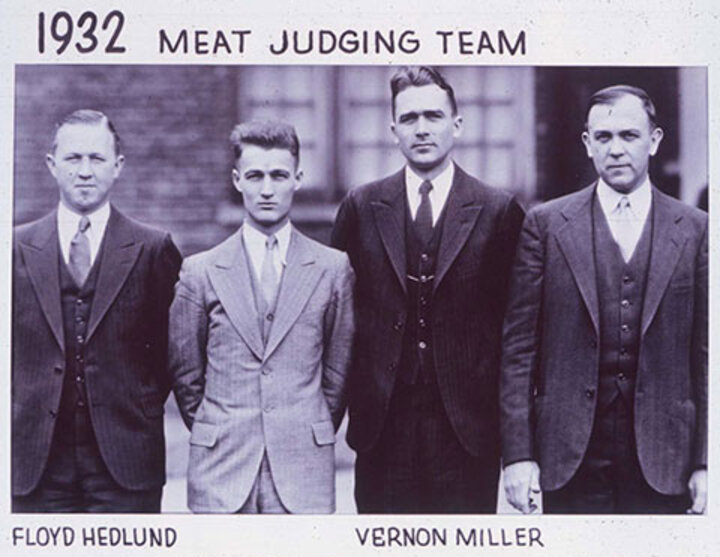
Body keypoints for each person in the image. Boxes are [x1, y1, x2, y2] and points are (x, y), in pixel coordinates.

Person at [501, 85, 707, 514]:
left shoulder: (696, 229)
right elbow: (519, 350)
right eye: (604, 137)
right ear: (587, 144)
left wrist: (707, 460)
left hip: (665, 455)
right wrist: (519, 456)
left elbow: (709, 357)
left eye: (629, 136)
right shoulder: (546, 225)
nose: (616, 149)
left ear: (654, 141)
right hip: (569, 455)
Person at [331, 66, 525, 513]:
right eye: (410, 118)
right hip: (383, 428)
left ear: (456, 125)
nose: (422, 129)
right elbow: (337, 315)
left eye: (434, 117)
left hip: (466, 431)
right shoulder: (362, 207)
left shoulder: (498, 211)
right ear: (393, 129)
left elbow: (517, 331)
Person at [169, 120, 354, 514]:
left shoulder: (331, 268)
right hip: (222, 469)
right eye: (255, 176)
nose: (267, 189)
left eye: (278, 175)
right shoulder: (200, 271)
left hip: (302, 470)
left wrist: (305, 425)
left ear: (298, 178)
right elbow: (187, 375)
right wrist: (219, 425)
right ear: (237, 180)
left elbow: (337, 373)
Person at [12, 109, 182, 513]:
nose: (85, 171)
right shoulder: (15, 248)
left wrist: (133, 407)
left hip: (124, 462)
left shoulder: (153, 248)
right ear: (52, 165)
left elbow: (171, 354)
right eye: (73, 159)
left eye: (97, 159)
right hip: (35, 461)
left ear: (118, 167)